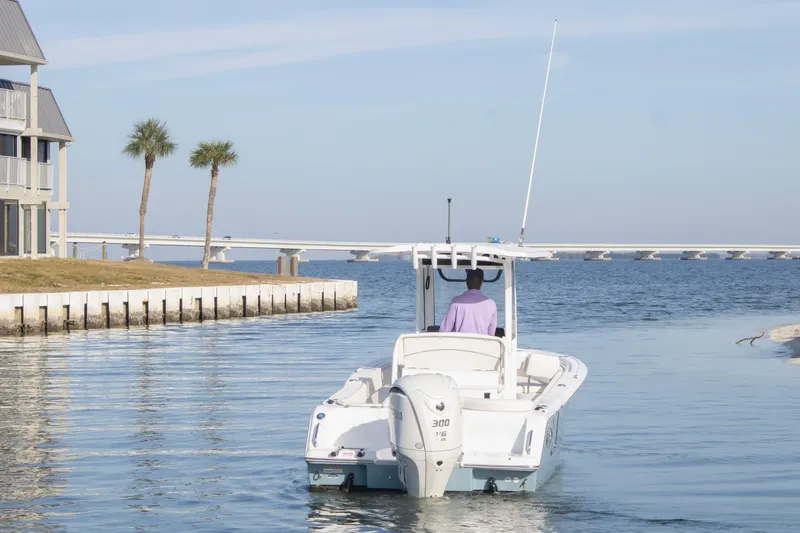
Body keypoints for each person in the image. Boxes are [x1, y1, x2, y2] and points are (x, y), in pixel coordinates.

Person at [439, 268, 497, 336]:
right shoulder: (491, 304)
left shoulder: (456, 302)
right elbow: (491, 333)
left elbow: (444, 330)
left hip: (459, 343)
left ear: (466, 282)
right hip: (482, 343)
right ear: (481, 282)